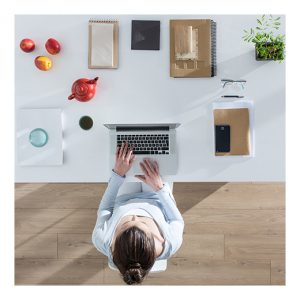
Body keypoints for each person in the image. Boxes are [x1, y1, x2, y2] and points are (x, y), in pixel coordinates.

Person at [92, 142, 184, 285]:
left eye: (125, 225)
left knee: (125, 157)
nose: (135, 216)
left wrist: (117, 175)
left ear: (115, 243)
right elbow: (176, 221)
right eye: (142, 223)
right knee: (156, 153)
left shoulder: (101, 240)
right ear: (154, 241)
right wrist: (159, 188)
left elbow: (106, 209)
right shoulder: (171, 243)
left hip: (123, 198)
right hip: (156, 196)